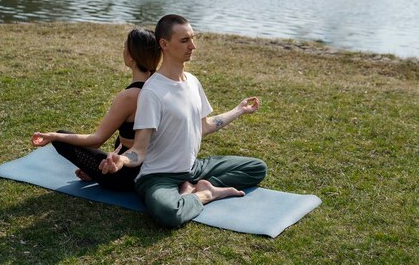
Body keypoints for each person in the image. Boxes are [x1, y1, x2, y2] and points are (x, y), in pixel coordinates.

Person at [99, 14, 267, 227]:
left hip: (192, 167)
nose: (193, 46)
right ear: (164, 44)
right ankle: (205, 194)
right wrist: (121, 161)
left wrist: (239, 110)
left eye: (193, 39)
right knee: (168, 213)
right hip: (158, 177)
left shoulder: (193, 82)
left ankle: (192, 186)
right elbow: (140, 149)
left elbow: (203, 126)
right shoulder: (152, 92)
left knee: (257, 168)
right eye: (185, 40)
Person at [30, 27, 161, 191]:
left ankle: (99, 172)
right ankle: (95, 172)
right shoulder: (160, 86)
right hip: (157, 168)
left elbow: (97, 139)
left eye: (124, 47)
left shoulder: (129, 96)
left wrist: (53, 135)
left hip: (126, 176)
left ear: (131, 56)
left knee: (62, 139)